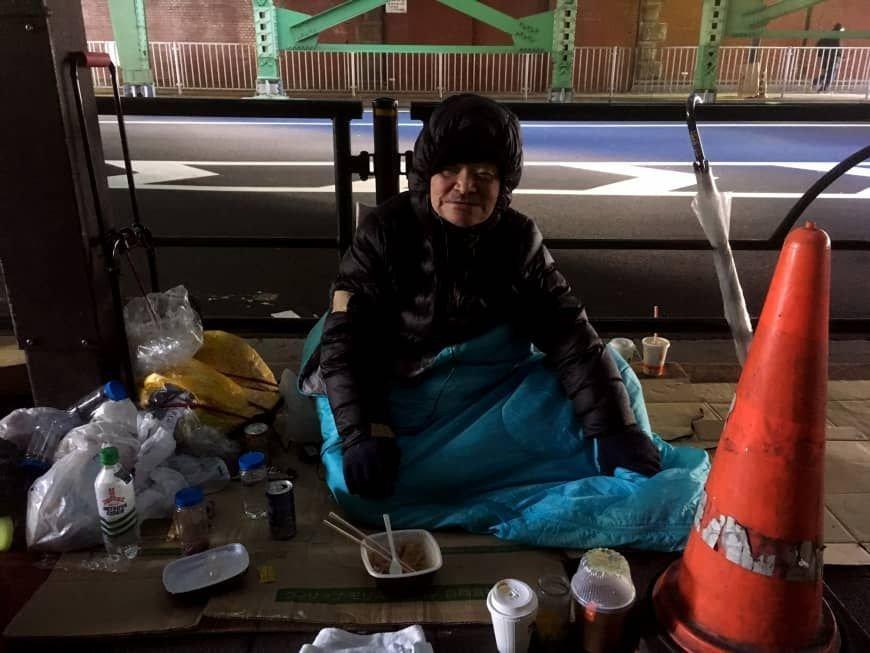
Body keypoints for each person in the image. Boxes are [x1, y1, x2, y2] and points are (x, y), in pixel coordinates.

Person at [302, 94, 661, 501]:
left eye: (484, 173)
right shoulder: (384, 231)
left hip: (481, 383)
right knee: (352, 476)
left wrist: (614, 429)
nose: (466, 185)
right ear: (425, 175)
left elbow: (568, 332)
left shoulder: (518, 239)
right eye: (450, 169)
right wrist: (364, 433)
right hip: (394, 380)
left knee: (617, 382)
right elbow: (347, 341)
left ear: (503, 185)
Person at [815, 23, 845, 92]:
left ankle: (816, 82)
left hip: (824, 57)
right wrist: (841, 56)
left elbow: (817, 45)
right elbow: (837, 48)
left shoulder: (827, 35)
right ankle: (823, 87)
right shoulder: (837, 37)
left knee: (828, 73)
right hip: (833, 57)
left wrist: (820, 54)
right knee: (832, 74)